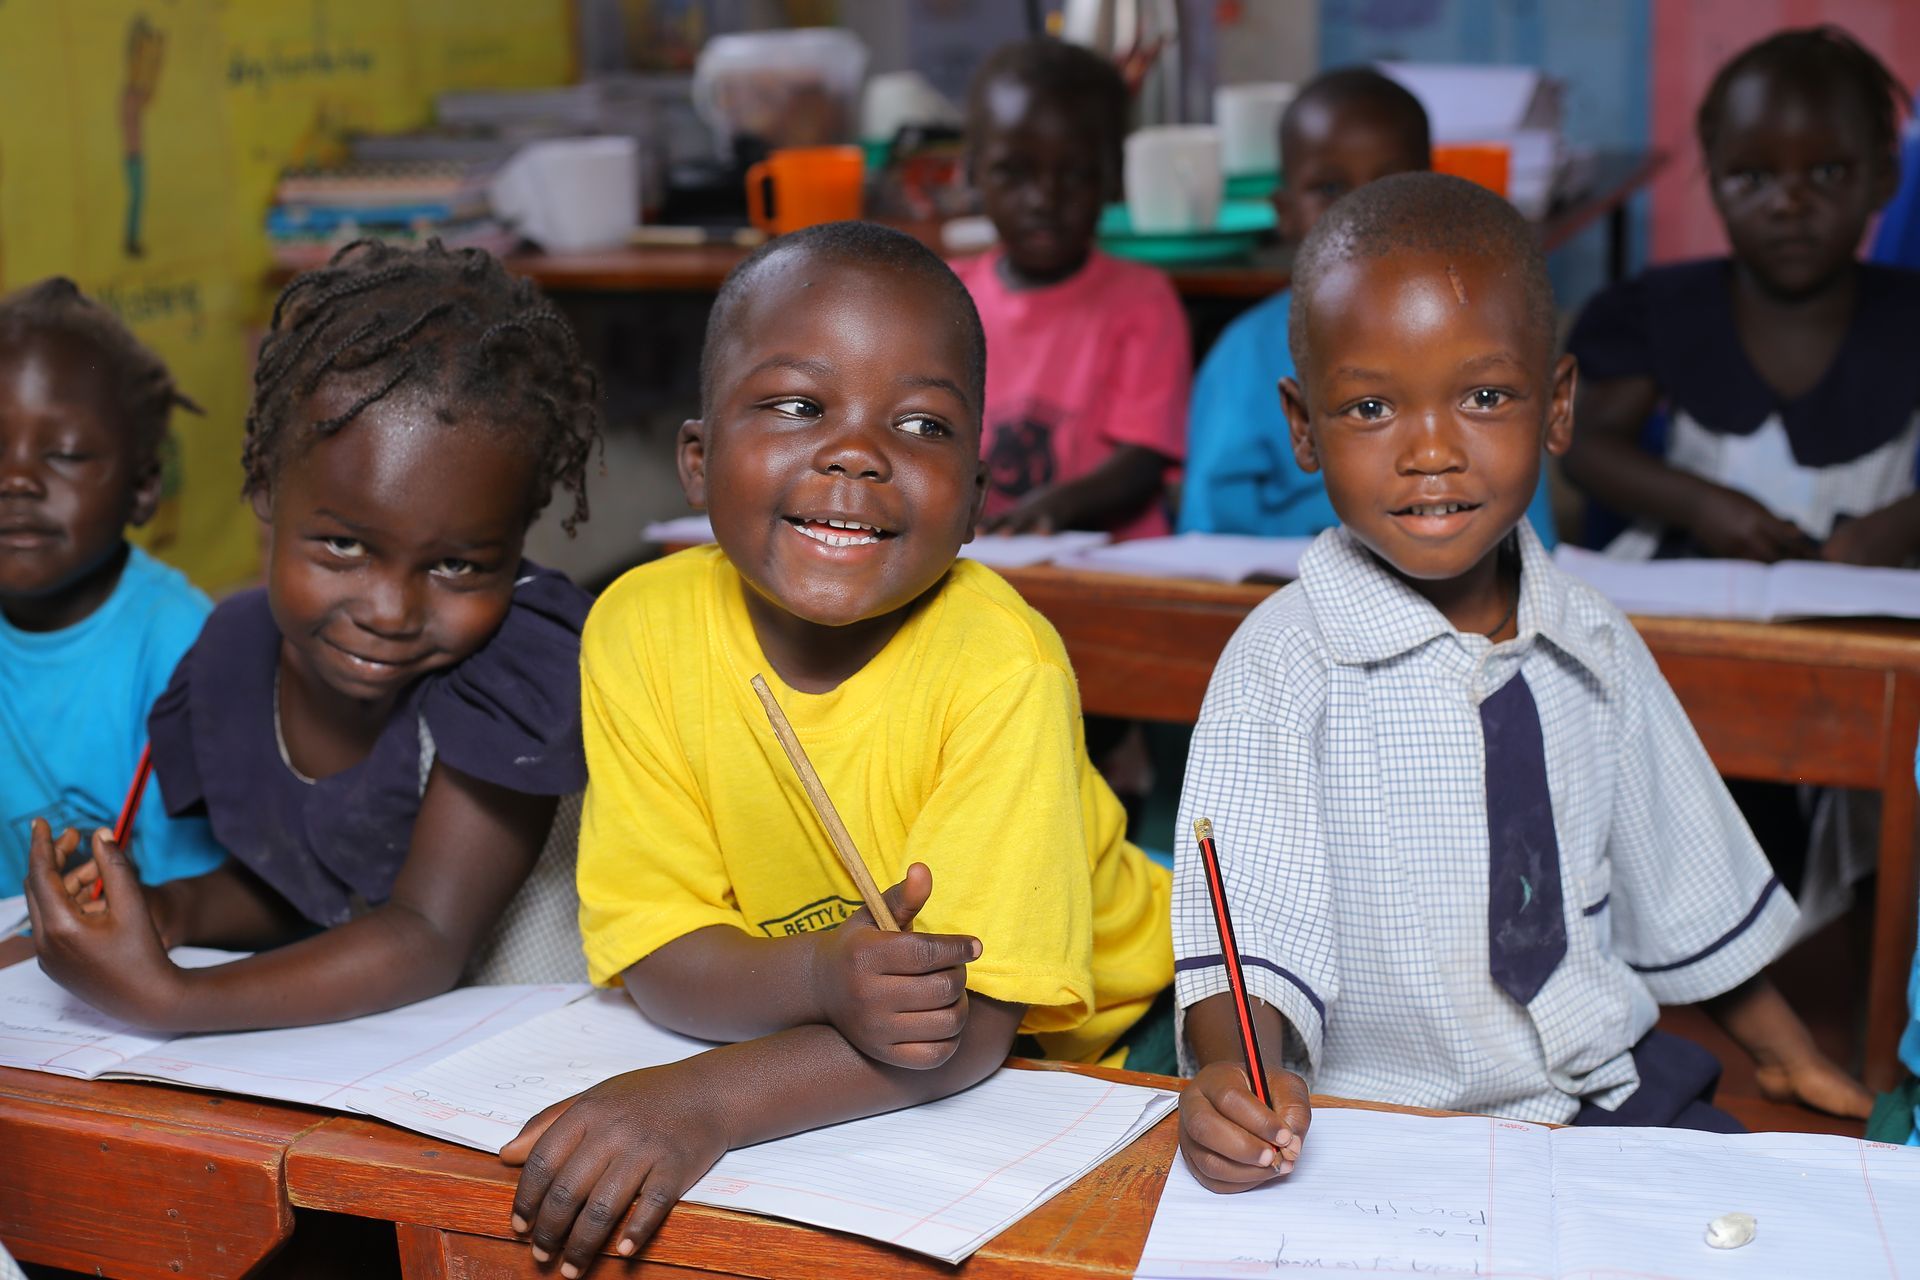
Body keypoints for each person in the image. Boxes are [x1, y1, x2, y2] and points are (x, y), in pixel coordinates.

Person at [1172, 174, 1871, 1197]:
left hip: (1606, 1095)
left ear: (1558, 407)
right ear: (1304, 425)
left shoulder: (1594, 638)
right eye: (1371, 405)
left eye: (1485, 396)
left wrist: (1787, 1051)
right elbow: (1249, 921)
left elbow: (1683, 864)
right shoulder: (1283, 664)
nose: (1432, 450)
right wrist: (1235, 1071)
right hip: (1379, 1114)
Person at [504, 222, 1173, 1272]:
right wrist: (821, 973)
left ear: (976, 505)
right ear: (698, 456)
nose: (858, 450)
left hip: (1106, 1044)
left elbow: (973, 1028)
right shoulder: (635, 627)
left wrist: (703, 1104)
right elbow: (660, 952)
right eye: (797, 406)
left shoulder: (1004, 663)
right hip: (847, 1042)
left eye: (921, 424)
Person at [22, 239, 602, 1030]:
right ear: (264, 487)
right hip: (369, 1061)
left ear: (519, 535)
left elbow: (425, 933)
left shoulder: (516, 667)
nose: (391, 611)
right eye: (345, 547)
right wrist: (170, 912)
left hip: (540, 1054)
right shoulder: (231, 654)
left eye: (459, 564)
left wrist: (173, 997)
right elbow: (312, 887)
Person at [1564, 26, 1919, 564]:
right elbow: (1588, 448)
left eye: (1827, 172)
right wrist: (1700, 506)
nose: (1788, 204)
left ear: (1883, 179)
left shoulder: (1910, 316)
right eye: (1753, 177)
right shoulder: (1661, 308)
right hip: (1692, 597)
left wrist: (1902, 526)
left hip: (1872, 605)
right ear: (1715, 184)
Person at [1180, 67, 1558, 546]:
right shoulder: (1244, 354)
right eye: (1329, 188)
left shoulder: (1485, 338)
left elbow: (1525, 538)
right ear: (1285, 212)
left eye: (1392, 182)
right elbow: (1207, 544)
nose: (1363, 207)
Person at [0, 277, 223, 898]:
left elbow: (192, 904)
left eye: (65, 454)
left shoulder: (179, 647)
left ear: (144, 488)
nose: (16, 479)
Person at [953, 37, 1188, 539]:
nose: (1044, 199)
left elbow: (1142, 463)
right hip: (978, 561)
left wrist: (1054, 510)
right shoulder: (940, 296)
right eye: (1014, 173)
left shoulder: (1142, 301)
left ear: (1113, 178)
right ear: (972, 173)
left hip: (1109, 570)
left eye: (1076, 174)